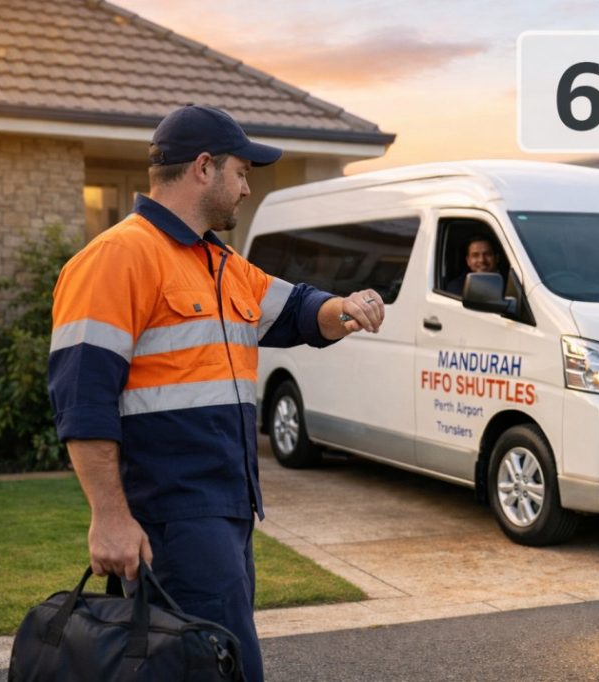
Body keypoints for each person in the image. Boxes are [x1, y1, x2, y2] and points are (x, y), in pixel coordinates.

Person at [47, 105, 384, 682]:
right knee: (217, 666)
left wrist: (343, 308)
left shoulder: (219, 263)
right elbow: (83, 402)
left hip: (226, 509)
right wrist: (109, 517)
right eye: (242, 172)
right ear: (204, 168)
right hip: (171, 516)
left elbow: (296, 310)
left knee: (196, 664)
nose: (247, 187)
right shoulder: (116, 258)